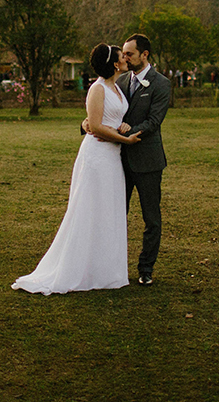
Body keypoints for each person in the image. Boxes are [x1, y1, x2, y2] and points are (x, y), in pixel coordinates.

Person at [12, 43, 141, 295]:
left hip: (112, 158)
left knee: (108, 210)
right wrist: (125, 139)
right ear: (114, 63)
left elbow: (110, 119)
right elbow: (94, 125)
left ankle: (105, 270)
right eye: (121, 57)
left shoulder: (116, 87)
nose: (125, 59)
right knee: (89, 209)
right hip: (97, 156)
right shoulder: (97, 88)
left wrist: (123, 126)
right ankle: (79, 268)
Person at [84, 33, 171, 286]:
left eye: (130, 54)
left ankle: (146, 269)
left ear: (145, 55)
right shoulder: (118, 81)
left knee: (151, 218)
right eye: (123, 53)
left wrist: (127, 132)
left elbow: (154, 122)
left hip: (147, 160)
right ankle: (111, 265)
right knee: (114, 215)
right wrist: (86, 124)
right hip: (116, 161)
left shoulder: (161, 84)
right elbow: (102, 113)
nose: (125, 57)